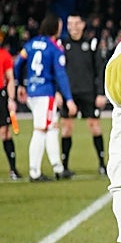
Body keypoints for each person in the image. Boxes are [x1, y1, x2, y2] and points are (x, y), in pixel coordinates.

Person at [14, 14, 76, 181]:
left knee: (52, 128)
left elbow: (18, 63)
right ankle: (34, 172)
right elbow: (61, 74)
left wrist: (20, 84)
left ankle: (58, 167)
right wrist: (69, 98)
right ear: (55, 28)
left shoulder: (31, 44)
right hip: (45, 93)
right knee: (40, 130)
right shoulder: (54, 48)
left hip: (32, 91)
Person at [59, 13, 109, 176]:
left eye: (75, 23)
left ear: (82, 25)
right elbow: (58, 72)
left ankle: (102, 164)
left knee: (94, 127)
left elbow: (100, 71)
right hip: (69, 94)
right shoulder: (62, 45)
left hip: (89, 92)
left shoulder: (91, 44)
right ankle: (64, 166)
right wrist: (59, 93)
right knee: (66, 128)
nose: (72, 26)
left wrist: (101, 93)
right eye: (69, 23)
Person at [0, 41, 19, 179]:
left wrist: (11, 99)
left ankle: (13, 169)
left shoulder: (4, 55)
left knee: (5, 131)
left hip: (1, 95)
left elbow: (10, 78)